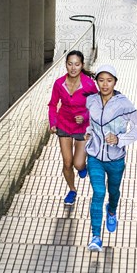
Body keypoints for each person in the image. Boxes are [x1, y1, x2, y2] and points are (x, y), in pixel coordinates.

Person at [84, 64, 137, 252]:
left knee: (114, 192)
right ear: (97, 82)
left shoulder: (124, 103)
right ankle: (95, 236)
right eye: (101, 80)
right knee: (98, 193)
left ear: (115, 82)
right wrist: (87, 132)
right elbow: (90, 123)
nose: (105, 84)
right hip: (95, 156)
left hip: (116, 158)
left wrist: (120, 139)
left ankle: (112, 210)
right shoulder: (91, 101)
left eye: (109, 80)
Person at [48, 50, 98, 206]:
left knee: (78, 164)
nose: (73, 68)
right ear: (66, 65)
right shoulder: (59, 83)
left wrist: (85, 116)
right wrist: (53, 122)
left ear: (82, 65)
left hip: (82, 127)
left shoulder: (89, 84)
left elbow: (97, 106)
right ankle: (72, 190)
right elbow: (52, 105)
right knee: (67, 163)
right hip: (63, 125)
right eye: (70, 64)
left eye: (77, 64)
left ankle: (83, 167)